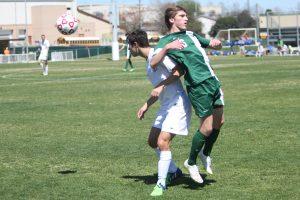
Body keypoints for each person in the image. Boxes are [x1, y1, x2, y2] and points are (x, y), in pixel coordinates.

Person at [150, 5, 225, 184]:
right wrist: (167, 47)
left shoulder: (191, 35)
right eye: (182, 16)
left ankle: (204, 153)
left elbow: (210, 45)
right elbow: (153, 62)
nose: (186, 19)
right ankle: (191, 162)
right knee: (206, 128)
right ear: (171, 20)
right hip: (197, 85)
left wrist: (216, 44)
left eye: (186, 16)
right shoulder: (165, 41)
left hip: (212, 80)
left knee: (219, 122)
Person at [127, 29, 192, 196]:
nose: (129, 49)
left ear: (135, 45)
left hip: (177, 103)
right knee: (152, 141)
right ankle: (175, 171)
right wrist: (146, 105)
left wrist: (162, 85)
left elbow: (179, 71)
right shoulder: (150, 61)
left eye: (129, 46)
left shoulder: (158, 54)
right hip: (166, 105)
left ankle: (161, 183)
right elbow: (158, 90)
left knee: (162, 142)